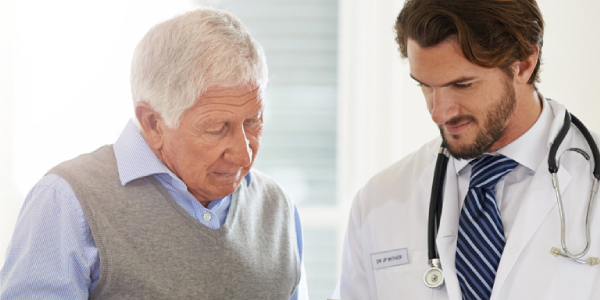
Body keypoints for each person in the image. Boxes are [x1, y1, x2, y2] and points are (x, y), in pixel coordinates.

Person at [0, 7, 308, 299]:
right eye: (216, 128)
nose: (243, 155)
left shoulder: (278, 208)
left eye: (253, 122)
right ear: (153, 123)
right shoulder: (66, 202)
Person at [338, 0, 600, 299]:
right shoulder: (379, 202)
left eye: (462, 85)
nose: (439, 113)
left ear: (525, 64)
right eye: (425, 86)